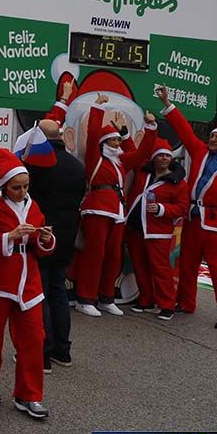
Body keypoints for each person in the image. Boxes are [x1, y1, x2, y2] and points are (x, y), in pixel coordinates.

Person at [0, 149, 55, 420]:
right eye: (16, 187)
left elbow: (43, 248)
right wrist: (10, 236)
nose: (22, 192)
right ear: (5, 186)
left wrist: (44, 239)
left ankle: (28, 395)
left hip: (28, 283)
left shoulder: (34, 207)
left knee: (34, 339)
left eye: (25, 186)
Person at [157, 85, 217, 329]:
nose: (212, 139)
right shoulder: (201, 151)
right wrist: (168, 104)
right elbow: (184, 131)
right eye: (212, 136)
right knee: (187, 263)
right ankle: (185, 301)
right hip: (193, 219)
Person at [74, 93, 156, 317]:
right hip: (97, 209)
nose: (117, 143)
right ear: (103, 143)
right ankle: (85, 298)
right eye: (113, 140)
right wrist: (97, 107)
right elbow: (92, 133)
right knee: (94, 254)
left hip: (118, 212)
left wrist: (148, 127)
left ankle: (106, 297)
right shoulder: (95, 158)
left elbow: (141, 154)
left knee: (113, 256)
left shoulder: (121, 161)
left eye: (118, 140)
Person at [25, 119, 85, 370]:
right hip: (67, 233)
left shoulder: (37, 164)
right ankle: (63, 350)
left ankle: (44, 352)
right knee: (59, 291)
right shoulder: (77, 165)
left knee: (42, 293)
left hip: (42, 232)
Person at [124, 138, 189, 320]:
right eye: (160, 155)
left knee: (161, 269)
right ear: (153, 158)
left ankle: (167, 305)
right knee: (139, 265)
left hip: (158, 231)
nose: (163, 159)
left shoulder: (179, 183)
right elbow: (135, 153)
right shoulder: (143, 173)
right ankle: (146, 300)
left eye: (167, 156)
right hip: (136, 228)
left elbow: (182, 208)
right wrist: (125, 136)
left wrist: (162, 209)